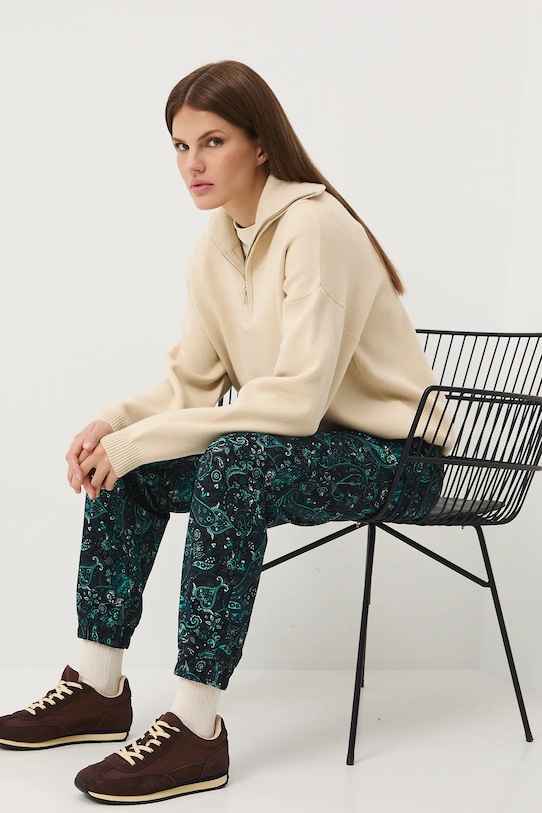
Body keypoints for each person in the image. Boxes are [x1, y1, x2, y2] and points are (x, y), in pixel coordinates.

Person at [0, 60, 450, 804]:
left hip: (401, 459)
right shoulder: (216, 243)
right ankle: (98, 687)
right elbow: (191, 381)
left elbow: (297, 402)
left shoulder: (315, 226)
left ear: (261, 144)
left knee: (234, 460)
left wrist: (141, 438)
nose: (193, 164)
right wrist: (116, 426)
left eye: (213, 142)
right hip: (305, 450)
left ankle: (196, 726)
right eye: (180, 146)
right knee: (133, 464)